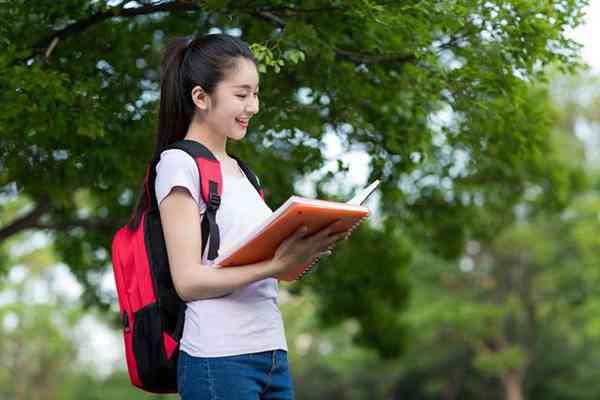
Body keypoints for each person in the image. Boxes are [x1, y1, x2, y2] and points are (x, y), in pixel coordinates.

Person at [128, 33, 350, 400]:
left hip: (272, 354)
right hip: (219, 358)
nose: (254, 106)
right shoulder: (178, 165)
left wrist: (308, 248)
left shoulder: (245, 174)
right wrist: (273, 267)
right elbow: (188, 281)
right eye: (241, 94)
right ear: (201, 97)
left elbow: (266, 266)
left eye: (256, 93)